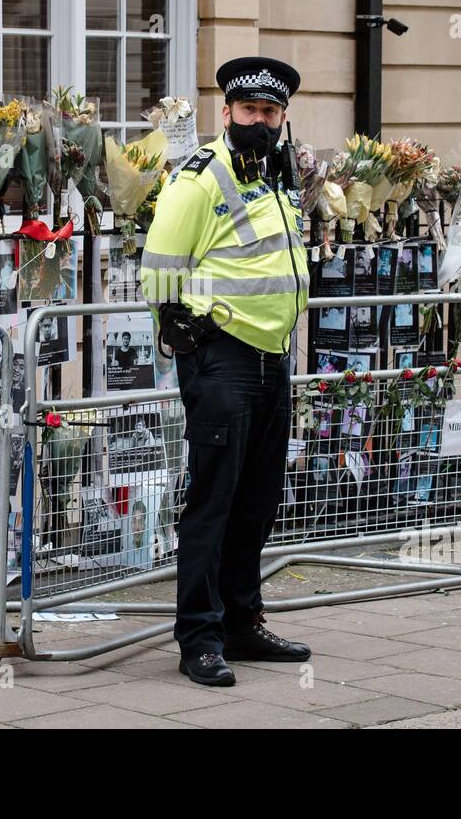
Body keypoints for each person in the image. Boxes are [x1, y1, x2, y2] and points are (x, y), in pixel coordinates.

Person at [139, 55, 311, 687]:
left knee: (256, 502)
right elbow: (159, 262)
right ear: (228, 114)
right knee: (213, 503)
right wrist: (181, 323)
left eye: (270, 113)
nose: (260, 122)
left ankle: (241, 622)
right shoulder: (201, 176)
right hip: (222, 358)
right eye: (249, 112)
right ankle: (200, 638)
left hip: (272, 355)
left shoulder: (276, 178)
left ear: (282, 117)